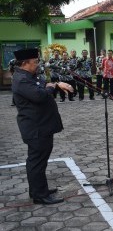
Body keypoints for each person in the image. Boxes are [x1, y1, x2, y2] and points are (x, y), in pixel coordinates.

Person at [12, 48, 73, 205]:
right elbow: (39, 95)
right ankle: (40, 195)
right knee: (37, 162)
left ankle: (38, 189)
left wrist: (55, 84)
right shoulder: (21, 80)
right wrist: (51, 87)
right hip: (36, 128)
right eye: (35, 62)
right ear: (25, 63)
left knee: (39, 160)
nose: (37, 64)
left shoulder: (29, 76)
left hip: (42, 126)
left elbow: (43, 84)